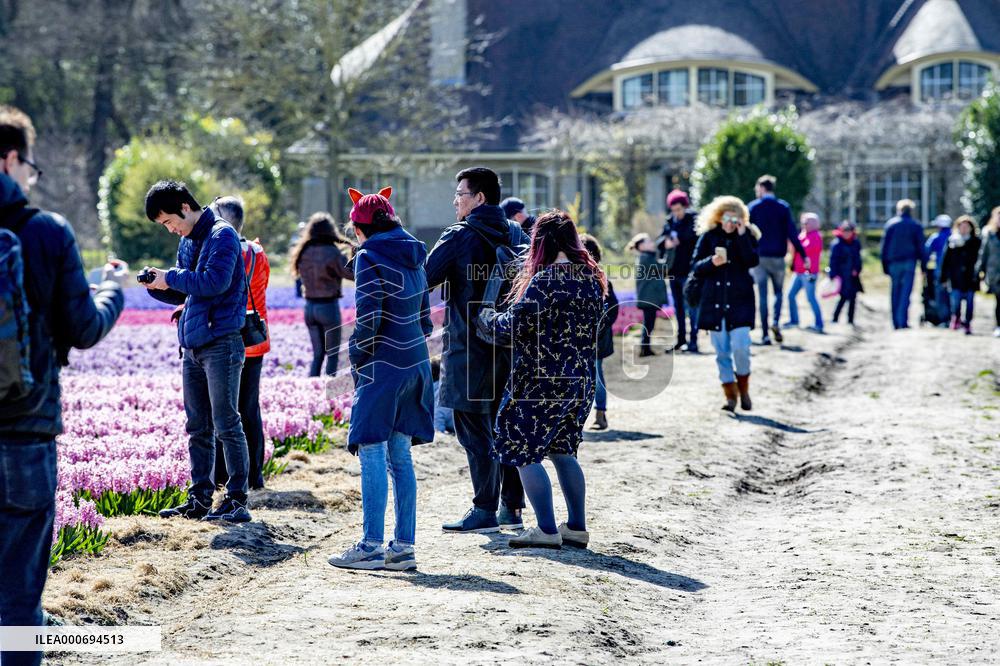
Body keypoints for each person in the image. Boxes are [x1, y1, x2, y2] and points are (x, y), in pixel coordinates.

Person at [0, 105, 124, 663]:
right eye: (31, 164)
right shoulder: (46, 233)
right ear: (9, 159)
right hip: (26, 428)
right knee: (21, 604)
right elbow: (84, 328)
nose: (32, 175)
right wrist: (114, 290)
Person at [477, 210, 606, 549]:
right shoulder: (592, 279)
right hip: (581, 380)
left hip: (540, 381)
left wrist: (489, 318)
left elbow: (512, 326)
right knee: (564, 452)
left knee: (523, 452)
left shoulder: (545, 280)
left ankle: (546, 530)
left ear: (541, 242)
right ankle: (576, 527)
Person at [328, 187, 434, 571]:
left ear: (361, 228)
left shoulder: (369, 257)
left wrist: (357, 356)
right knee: (401, 455)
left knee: (371, 447)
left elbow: (368, 316)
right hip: (417, 361)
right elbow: (424, 317)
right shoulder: (416, 254)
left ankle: (371, 545)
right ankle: (403, 548)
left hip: (383, 363)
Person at [143, 180, 252, 523]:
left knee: (226, 423)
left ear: (186, 207)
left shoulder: (223, 235)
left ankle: (236, 499)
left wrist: (172, 277)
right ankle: (200, 498)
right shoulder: (188, 240)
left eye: (169, 221)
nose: (170, 229)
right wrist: (157, 285)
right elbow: (184, 292)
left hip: (221, 341)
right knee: (198, 426)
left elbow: (213, 283)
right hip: (192, 344)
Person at [426, 167, 527, 534]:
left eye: (460, 194)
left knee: (473, 430)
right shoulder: (518, 234)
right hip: (511, 346)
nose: (455, 200)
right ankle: (511, 507)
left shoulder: (459, 236)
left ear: (479, 198)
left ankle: (483, 508)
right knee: (506, 426)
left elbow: (424, 277)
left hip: (469, 348)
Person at [210, 196, 269, 490]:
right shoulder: (258, 252)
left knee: (224, 411)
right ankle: (255, 473)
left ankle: (224, 475)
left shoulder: (223, 250)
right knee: (249, 408)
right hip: (255, 339)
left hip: (227, 338)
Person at [691, 196, 761, 412]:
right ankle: (730, 397)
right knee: (721, 353)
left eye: (735, 218)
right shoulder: (709, 237)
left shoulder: (747, 236)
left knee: (741, 348)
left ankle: (744, 390)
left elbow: (752, 261)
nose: (731, 222)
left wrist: (741, 236)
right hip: (715, 303)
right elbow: (695, 266)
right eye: (727, 217)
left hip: (740, 303)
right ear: (718, 218)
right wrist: (711, 262)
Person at [290, 212, 355, 376]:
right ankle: (327, 391)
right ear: (330, 230)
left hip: (309, 308)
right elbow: (352, 275)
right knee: (332, 355)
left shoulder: (304, 251)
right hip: (328, 307)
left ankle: (313, 391)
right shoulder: (332, 252)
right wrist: (353, 255)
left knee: (317, 355)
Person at [748, 175, 807, 345]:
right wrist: (803, 255)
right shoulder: (783, 207)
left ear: (762, 188)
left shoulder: (753, 208)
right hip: (778, 258)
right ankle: (775, 321)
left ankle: (765, 334)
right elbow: (792, 234)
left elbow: (747, 234)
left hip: (759, 258)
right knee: (779, 293)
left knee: (762, 295)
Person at [581, 234, 619, 430]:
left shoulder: (600, 278)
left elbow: (612, 309)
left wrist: (597, 328)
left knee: (596, 376)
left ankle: (601, 414)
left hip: (597, 339)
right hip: (582, 338)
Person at [658, 189, 699, 352]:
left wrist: (679, 240)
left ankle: (693, 341)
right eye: (674, 210)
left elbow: (694, 238)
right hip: (673, 271)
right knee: (678, 309)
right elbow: (659, 241)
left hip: (689, 272)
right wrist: (666, 243)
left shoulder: (693, 220)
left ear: (685, 207)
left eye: (679, 210)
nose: (677, 213)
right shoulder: (669, 222)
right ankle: (680, 339)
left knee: (692, 308)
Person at [880, 198, 926, 330]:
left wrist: (884, 265)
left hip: (893, 263)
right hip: (909, 262)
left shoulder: (891, 224)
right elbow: (921, 247)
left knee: (895, 292)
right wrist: (923, 266)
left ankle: (895, 322)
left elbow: (884, 247)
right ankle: (902, 321)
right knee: (906, 293)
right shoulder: (915, 225)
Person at [940, 215, 981, 335]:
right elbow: (945, 260)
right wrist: (943, 277)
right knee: (955, 301)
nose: (964, 229)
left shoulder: (976, 242)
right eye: (961, 226)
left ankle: (968, 323)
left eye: (966, 226)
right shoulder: (952, 241)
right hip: (955, 278)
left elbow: (980, 259)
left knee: (969, 303)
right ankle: (956, 318)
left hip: (971, 278)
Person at [784, 212, 824, 333]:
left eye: (806, 222)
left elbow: (804, 249)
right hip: (798, 272)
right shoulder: (802, 235)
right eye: (802, 222)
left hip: (809, 273)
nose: (803, 224)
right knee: (790, 295)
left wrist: (793, 244)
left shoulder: (816, 236)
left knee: (811, 298)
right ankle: (794, 320)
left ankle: (819, 324)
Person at [631, 232, 667, 357]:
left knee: (649, 324)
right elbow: (664, 267)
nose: (652, 243)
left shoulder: (646, 257)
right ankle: (644, 349)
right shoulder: (646, 258)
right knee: (648, 324)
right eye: (648, 242)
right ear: (641, 246)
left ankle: (645, 348)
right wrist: (670, 249)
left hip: (648, 297)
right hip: (648, 298)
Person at [829, 221, 863, 326]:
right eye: (845, 231)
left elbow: (858, 259)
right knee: (843, 297)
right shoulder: (837, 244)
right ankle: (835, 318)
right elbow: (833, 261)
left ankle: (850, 320)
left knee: (853, 297)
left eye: (849, 231)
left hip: (853, 276)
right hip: (842, 275)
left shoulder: (855, 243)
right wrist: (833, 275)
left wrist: (857, 269)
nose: (847, 233)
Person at [924, 214, 954, 326]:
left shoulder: (935, 237)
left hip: (940, 270)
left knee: (941, 296)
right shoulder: (954, 236)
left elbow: (926, 252)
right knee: (952, 295)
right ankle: (954, 319)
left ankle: (944, 319)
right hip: (954, 272)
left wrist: (924, 267)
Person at [976, 206, 1000, 337]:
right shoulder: (990, 235)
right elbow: (983, 254)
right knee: (998, 300)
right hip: (995, 274)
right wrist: (979, 270)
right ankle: (998, 325)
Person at [431, 356, 456, 434]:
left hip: (455, 427)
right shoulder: (449, 386)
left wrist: (438, 430)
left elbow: (438, 414)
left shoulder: (439, 389)